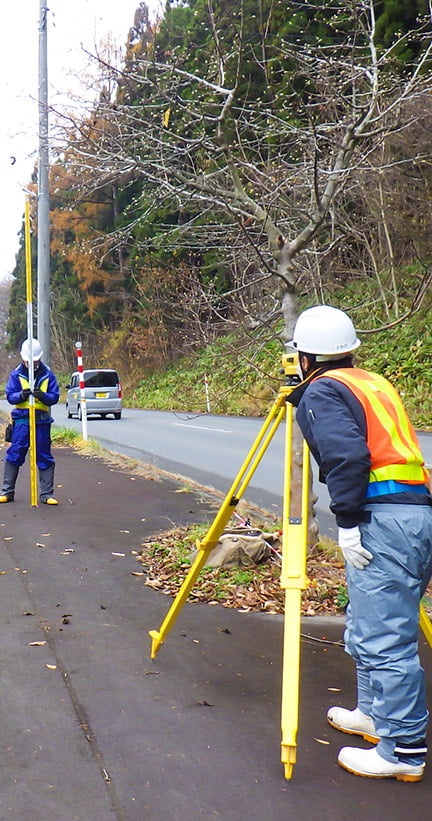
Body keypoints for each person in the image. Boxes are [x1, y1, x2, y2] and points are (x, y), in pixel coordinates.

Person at [287, 305, 432, 782]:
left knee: (385, 639)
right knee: (372, 620)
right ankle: (373, 716)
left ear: (306, 357)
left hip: (382, 519)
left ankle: (402, 752)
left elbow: (347, 455)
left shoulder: (323, 390)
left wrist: (346, 521)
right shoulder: (371, 382)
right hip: (413, 512)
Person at [0, 338, 60, 505]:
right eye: (27, 360)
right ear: (23, 358)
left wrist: (43, 396)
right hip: (22, 421)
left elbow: (54, 397)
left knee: (44, 456)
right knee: (15, 452)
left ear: (39, 358)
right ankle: (6, 491)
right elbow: (10, 396)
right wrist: (21, 395)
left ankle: (46, 494)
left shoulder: (48, 374)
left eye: (33, 360)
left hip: (41, 421)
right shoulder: (16, 374)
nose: (30, 363)